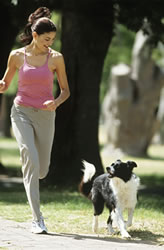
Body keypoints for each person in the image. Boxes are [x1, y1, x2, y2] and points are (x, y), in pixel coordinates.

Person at [0, 7, 70, 234]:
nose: (49, 43)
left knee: (42, 170)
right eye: (46, 39)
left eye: (52, 39)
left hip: (46, 115)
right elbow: (5, 82)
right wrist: (1, 85)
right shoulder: (17, 56)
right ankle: (37, 219)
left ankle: (34, 171)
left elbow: (65, 90)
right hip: (21, 111)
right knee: (29, 155)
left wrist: (56, 102)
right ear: (34, 34)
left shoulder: (56, 58)